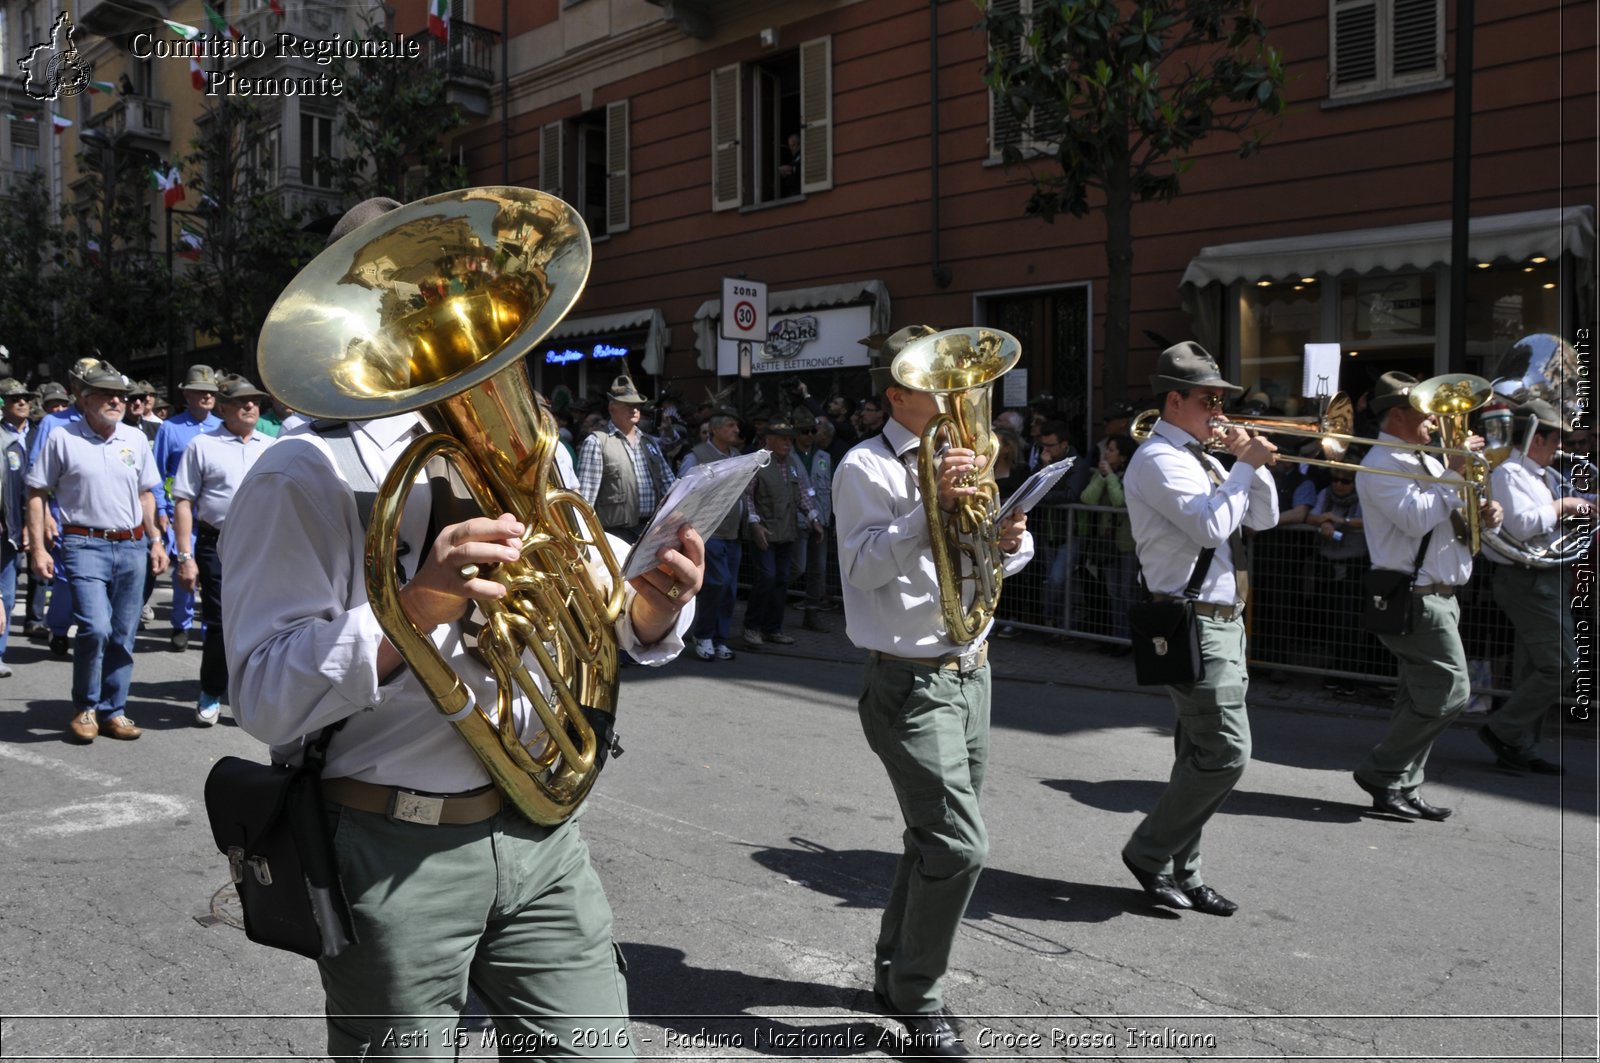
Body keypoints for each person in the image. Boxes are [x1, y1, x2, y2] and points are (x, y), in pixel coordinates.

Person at [224, 195, 706, 1061]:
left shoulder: (539, 452)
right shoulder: (303, 472)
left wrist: (657, 602)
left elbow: (598, 594)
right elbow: (262, 693)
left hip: (541, 830)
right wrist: (413, 611)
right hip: (393, 847)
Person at [833, 327, 1032, 1057]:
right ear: (896, 395)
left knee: (932, 839)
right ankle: (918, 994)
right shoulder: (865, 466)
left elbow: (990, 549)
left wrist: (1013, 537)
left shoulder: (966, 454)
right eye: (936, 385)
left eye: (960, 385)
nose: (956, 397)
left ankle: (894, 970)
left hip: (970, 667)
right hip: (909, 682)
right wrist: (928, 505)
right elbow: (862, 569)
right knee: (960, 845)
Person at [1120, 342, 1279, 916]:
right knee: (1226, 754)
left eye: (1221, 400)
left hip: (1226, 622)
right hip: (1190, 619)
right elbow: (1212, 528)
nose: (1219, 411)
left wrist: (1249, 467)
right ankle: (1148, 851)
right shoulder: (1159, 458)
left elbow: (1264, 518)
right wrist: (1244, 466)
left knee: (1197, 754)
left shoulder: (1207, 457)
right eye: (1208, 400)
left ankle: (1184, 870)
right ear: (1173, 399)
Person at [1352, 371, 1503, 820]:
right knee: (1451, 693)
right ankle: (1382, 771)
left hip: (1443, 593)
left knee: (1416, 697)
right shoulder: (1379, 464)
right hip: (1415, 595)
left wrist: (1485, 512)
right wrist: (1454, 473)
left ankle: (1403, 784)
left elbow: (1449, 520)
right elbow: (1415, 519)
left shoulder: (1427, 459)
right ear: (1397, 415)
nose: (1436, 423)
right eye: (1426, 414)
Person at [26, 363, 167, 742]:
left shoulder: (134, 439)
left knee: (123, 632)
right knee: (95, 626)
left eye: (121, 395)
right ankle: (85, 706)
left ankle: (113, 711)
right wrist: (38, 548)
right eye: (107, 394)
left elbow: (146, 493)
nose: (118, 400)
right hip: (83, 543)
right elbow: (37, 492)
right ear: (84, 399)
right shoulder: (61, 437)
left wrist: (155, 539)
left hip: (133, 544)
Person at [1477, 398, 1588, 775]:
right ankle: (1502, 730)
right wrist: (1566, 507)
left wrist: (1584, 507)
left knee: (1533, 668)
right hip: (1527, 579)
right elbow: (1522, 525)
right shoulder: (1508, 472)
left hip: (1544, 575)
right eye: (1556, 438)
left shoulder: (1542, 474)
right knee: (1562, 665)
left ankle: (1520, 745)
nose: (1561, 446)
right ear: (1535, 438)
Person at [171, 374, 276, 726]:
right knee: (220, 621)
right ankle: (212, 691)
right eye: (242, 401)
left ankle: (260, 692)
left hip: (266, 544)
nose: (250, 406)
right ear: (223, 406)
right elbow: (184, 501)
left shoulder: (272, 444)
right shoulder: (203, 445)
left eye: (255, 401)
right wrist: (184, 556)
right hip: (217, 542)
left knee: (269, 619)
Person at [152, 364, 222, 651]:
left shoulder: (222, 427)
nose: (206, 397)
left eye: (210, 393)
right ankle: (180, 624)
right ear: (187, 396)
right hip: (180, 512)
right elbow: (155, 472)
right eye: (199, 392)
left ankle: (211, 629)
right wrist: (159, 510)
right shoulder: (170, 428)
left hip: (210, 515)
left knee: (215, 580)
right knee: (186, 572)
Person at [576, 374, 676, 545]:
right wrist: (585, 538)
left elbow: (670, 486)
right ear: (612, 407)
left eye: (637, 405)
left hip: (651, 530)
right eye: (628, 405)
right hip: (615, 533)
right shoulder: (597, 442)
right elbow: (585, 499)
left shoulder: (648, 442)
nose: (634, 409)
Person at [742, 419, 816, 647]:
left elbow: (801, 493)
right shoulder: (758, 462)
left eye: (790, 439)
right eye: (783, 439)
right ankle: (752, 627)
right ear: (769, 440)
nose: (788, 443)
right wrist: (754, 524)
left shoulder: (791, 463)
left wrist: (813, 516)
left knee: (782, 580)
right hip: (764, 533)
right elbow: (746, 496)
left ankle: (773, 629)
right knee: (767, 577)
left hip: (786, 532)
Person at [678, 408, 745, 660]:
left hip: (733, 532)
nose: (736, 430)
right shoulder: (697, 456)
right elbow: (684, 488)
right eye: (730, 426)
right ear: (715, 429)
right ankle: (704, 635)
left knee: (728, 588)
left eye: (736, 426)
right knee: (716, 584)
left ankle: (719, 639)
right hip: (709, 532)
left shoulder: (738, 455)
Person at [792, 413, 833, 632]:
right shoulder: (788, 456)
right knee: (798, 565)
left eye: (812, 431)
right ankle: (775, 599)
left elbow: (831, 490)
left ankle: (812, 612)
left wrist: (830, 519)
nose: (809, 435)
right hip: (797, 520)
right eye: (804, 431)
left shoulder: (824, 457)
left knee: (818, 569)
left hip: (822, 520)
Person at [0, 389, 26, 678]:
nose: (22, 403)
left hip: (6, 530)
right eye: (14, 398)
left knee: (6, 595)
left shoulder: (14, 443)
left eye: (26, 398)